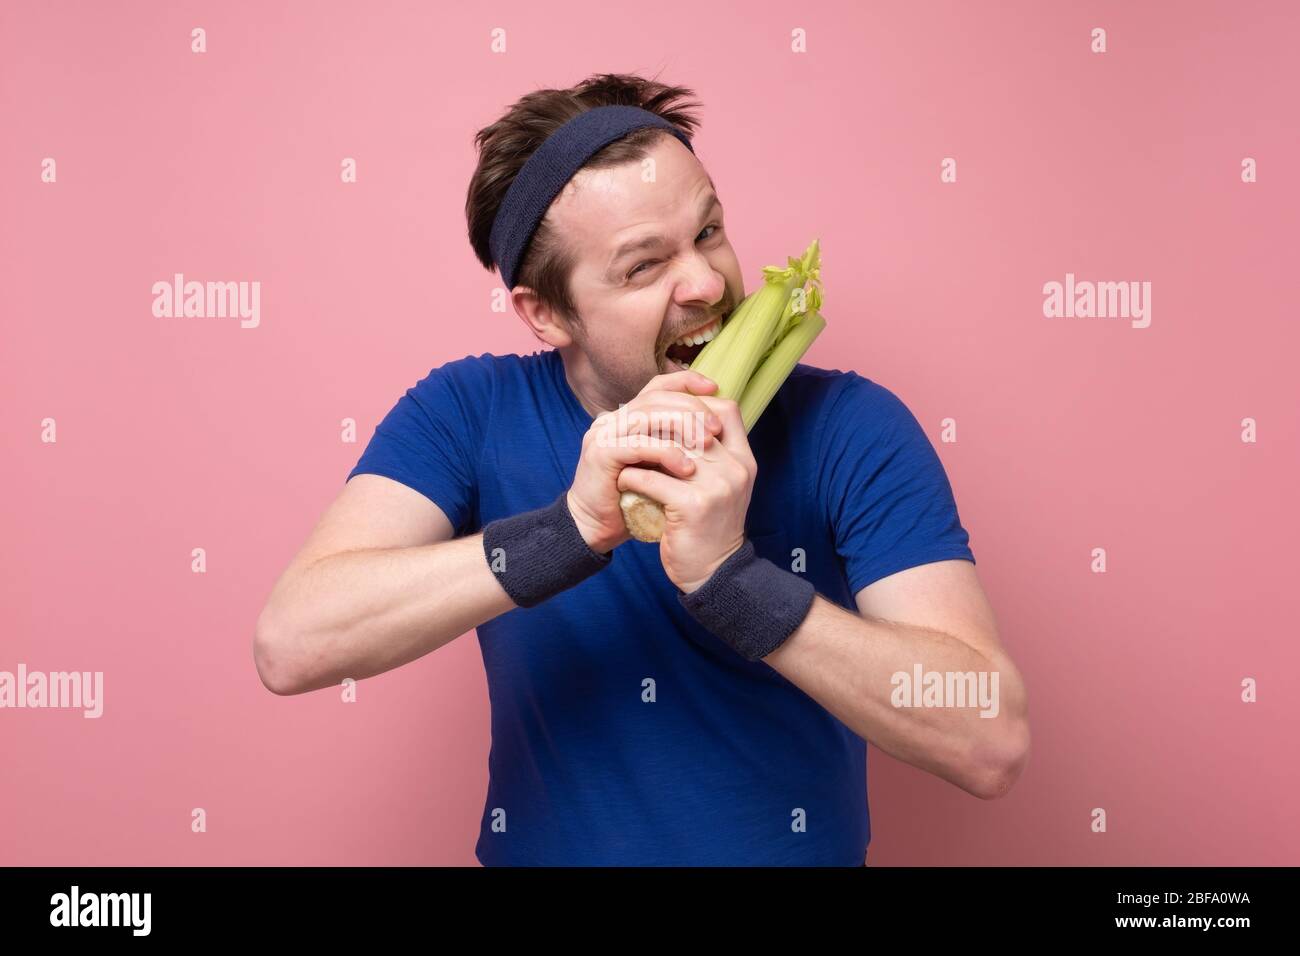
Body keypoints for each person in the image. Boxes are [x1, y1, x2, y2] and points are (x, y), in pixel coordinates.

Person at [253, 73, 1031, 866]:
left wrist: (733, 580)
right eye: (642, 266)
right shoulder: (467, 412)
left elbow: (990, 739)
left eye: (710, 232)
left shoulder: (849, 427)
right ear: (547, 313)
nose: (706, 284)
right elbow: (293, 644)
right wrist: (571, 531)